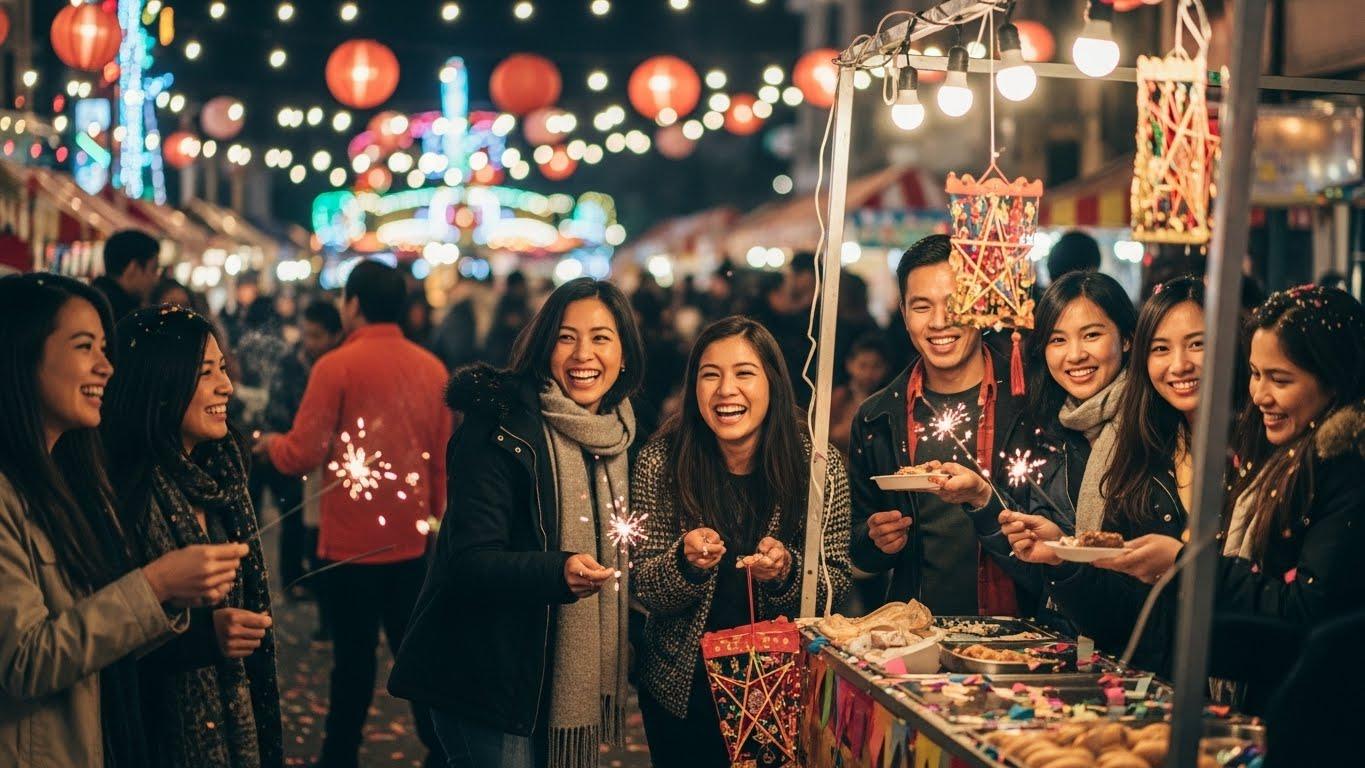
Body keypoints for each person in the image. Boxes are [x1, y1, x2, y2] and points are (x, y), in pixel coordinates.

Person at [389, 277, 645, 768]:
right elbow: (468, 562)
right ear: (543, 344)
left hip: (554, 684)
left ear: (625, 353)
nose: (582, 355)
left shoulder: (625, 436)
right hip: (489, 679)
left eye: (601, 338)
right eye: (566, 337)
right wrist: (558, 572)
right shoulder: (498, 426)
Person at [0, 273, 246, 768]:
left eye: (105, 349)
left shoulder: (70, 483)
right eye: (84, 346)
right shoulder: (15, 495)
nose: (106, 368)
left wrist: (177, 611)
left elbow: (92, 640)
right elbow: (24, 661)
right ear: (20, 356)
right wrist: (155, 584)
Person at [1090, 285, 1365, 711]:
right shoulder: (1284, 457)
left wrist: (1186, 566)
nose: (1260, 396)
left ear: (1333, 379)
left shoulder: (1341, 466)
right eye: (1257, 374)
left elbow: (1306, 615)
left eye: (1280, 379)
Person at [631, 317, 851, 767]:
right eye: (710, 374)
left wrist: (786, 573)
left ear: (772, 381)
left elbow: (836, 585)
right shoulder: (661, 461)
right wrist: (685, 563)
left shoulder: (818, 468)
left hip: (783, 690)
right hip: (680, 690)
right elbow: (644, 586)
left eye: (744, 373)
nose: (725, 389)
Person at [256, 260, 450, 768]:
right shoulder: (431, 369)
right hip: (412, 539)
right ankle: (445, 746)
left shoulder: (335, 366)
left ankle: (339, 755)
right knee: (416, 654)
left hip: (348, 542)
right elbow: (442, 460)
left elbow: (303, 451)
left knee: (352, 661)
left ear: (355, 305)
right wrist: (436, 521)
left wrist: (267, 444)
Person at [101, 306, 282, 768]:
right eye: (205, 373)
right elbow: (101, 646)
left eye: (222, 368)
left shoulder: (222, 477)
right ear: (158, 383)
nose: (226, 385)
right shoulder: (122, 492)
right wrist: (202, 638)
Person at [1004, 276, 1206, 674]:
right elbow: (1050, 574)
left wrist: (1178, 563)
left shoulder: (1156, 435)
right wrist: (1061, 553)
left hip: (1174, 663)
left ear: (1128, 340)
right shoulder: (1046, 433)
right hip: (1098, 654)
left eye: (1092, 334)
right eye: (1058, 340)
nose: (1075, 355)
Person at [848, 234, 1026, 616]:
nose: (940, 322)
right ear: (903, 310)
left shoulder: (1028, 403)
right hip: (913, 641)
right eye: (922, 306)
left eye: (955, 304)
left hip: (1020, 639)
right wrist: (876, 539)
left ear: (981, 304)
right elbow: (856, 544)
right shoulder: (877, 417)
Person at [263, 300, 345, 592]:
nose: (310, 343)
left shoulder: (340, 365)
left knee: (321, 528)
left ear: (336, 335)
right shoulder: (290, 362)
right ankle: (293, 580)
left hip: (332, 460)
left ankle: (319, 586)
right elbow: (276, 410)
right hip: (294, 451)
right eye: (306, 334)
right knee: (293, 519)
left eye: (317, 335)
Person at [829, 334, 892, 456]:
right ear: (850, 364)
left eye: (876, 366)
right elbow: (828, 435)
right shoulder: (839, 397)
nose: (869, 373)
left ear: (886, 368)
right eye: (863, 366)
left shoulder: (887, 400)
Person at [93, 229, 160, 321]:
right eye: (153, 270)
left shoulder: (93, 300)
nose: (156, 279)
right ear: (133, 268)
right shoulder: (124, 318)